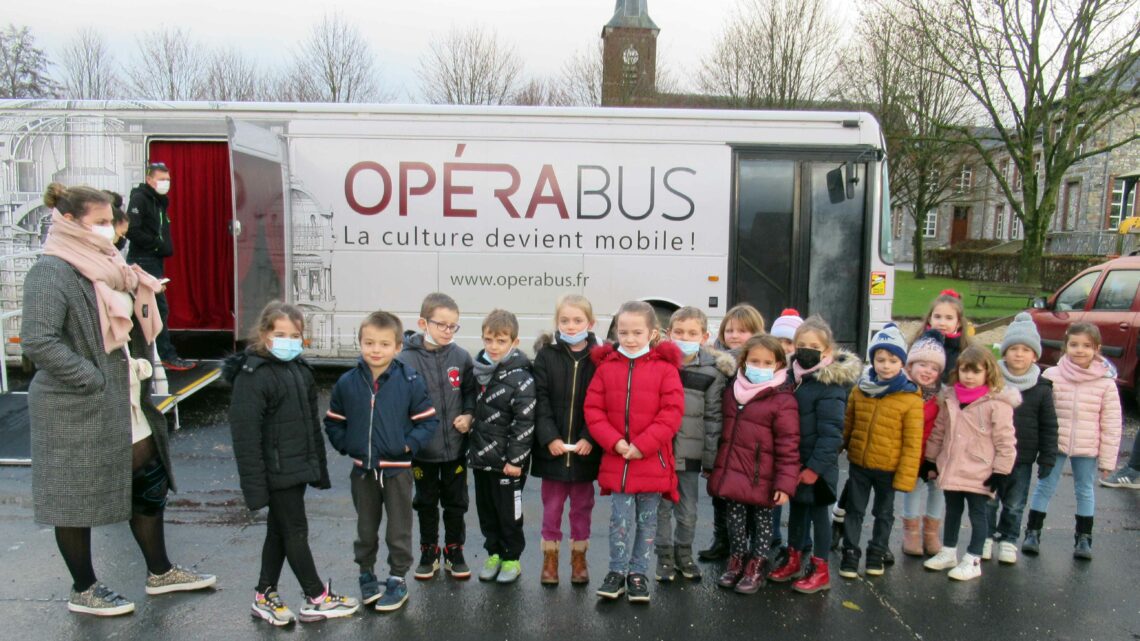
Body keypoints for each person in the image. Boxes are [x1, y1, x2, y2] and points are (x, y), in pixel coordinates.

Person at [22, 183, 215, 617]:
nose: (111, 230)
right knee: (75, 496)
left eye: (112, 221)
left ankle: (160, 572)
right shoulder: (52, 271)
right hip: (77, 403)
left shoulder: (108, 264)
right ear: (70, 222)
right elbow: (39, 340)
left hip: (123, 395)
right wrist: (90, 378)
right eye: (101, 222)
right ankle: (84, 588)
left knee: (148, 477)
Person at [226, 301, 359, 625]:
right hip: (276, 472)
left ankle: (264, 593)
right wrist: (255, 487)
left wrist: (317, 468)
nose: (288, 340)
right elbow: (245, 437)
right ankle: (316, 597)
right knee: (295, 531)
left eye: (295, 335)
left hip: (295, 469)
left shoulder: (299, 370)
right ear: (264, 334)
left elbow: (311, 425)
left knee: (279, 531)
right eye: (281, 333)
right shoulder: (253, 376)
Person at [324, 311, 440, 611]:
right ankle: (366, 574)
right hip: (363, 471)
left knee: (398, 529)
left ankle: (397, 578)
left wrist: (406, 446)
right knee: (365, 529)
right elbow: (334, 421)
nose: (376, 350)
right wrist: (348, 445)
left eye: (384, 344)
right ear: (360, 343)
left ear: (398, 347)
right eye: (369, 342)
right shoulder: (348, 382)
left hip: (398, 472)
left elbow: (427, 422)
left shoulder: (410, 380)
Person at [586, 301, 684, 604]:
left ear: (652, 333)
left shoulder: (665, 370)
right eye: (623, 331)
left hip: (651, 460)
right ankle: (616, 571)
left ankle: (638, 573)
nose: (629, 338)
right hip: (618, 460)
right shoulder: (605, 369)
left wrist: (642, 446)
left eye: (636, 332)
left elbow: (672, 413)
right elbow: (593, 410)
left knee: (647, 521)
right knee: (619, 519)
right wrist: (615, 442)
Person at [768, 316, 860, 594]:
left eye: (814, 346)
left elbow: (832, 434)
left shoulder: (829, 384)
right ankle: (794, 557)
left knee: (820, 516)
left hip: (817, 467)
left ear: (827, 352)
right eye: (802, 344)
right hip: (793, 462)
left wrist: (815, 468)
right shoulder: (791, 377)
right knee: (797, 512)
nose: (806, 349)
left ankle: (820, 569)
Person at [709, 335, 800, 594]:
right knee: (734, 519)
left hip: (765, 476)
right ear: (744, 361)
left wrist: (785, 482)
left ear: (779, 365)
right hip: (735, 472)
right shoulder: (732, 391)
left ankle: (757, 564)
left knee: (762, 522)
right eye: (754, 361)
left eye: (767, 362)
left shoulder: (783, 399)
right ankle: (737, 559)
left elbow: (789, 445)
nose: (760, 366)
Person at [1024, 322, 1122, 560]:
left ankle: (1084, 538)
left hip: (1087, 447)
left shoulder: (1105, 383)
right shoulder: (1051, 376)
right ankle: (1033, 532)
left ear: (1097, 348)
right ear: (1065, 346)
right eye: (1074, 344)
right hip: (1055, 443)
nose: (1080, 350)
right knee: (1045, 485)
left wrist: (1108, 460)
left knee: (1085, 490)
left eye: (1087, 346)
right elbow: (1040, 413)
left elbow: (1111, 424)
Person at [397, 293, 477, 580]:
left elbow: (470, 392)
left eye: (453, 325)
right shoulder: (405, 360)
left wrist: (469, 415)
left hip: (455, 448)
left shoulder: (461, 357)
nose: (447, 331)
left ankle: (454, 549)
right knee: (426, 502)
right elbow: (398, 404)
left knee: (456, 502)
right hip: (423, 452)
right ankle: (428, 550)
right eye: (441, 324)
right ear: (423, 323)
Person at [922, 345, 1018, 581]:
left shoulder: (997, 403)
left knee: (978, 515)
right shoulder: (951, 399)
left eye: (975, 371)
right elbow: (939, 430)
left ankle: (973, 558)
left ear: (987, 372)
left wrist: (1001, 472)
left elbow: (1006, 441)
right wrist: (930, 460)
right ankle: (949, 551)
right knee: (953, 511)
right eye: (965, 370)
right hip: (953, 467)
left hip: (980, 471)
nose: (969, 376)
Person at [838, 323, 924, 579]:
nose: (886, 365)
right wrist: (835, 450)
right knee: (854, 510)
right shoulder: (860, 390)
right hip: (860, 465)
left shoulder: (910, 399)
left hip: (889, 468)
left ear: (903, 363)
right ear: (872, 359)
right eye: (880, 359)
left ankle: (877, 553)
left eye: (893, 360)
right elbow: (848, 425)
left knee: (884, 514)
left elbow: (912, 442)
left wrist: (906, 477)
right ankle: (850, 554)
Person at [655, 307, 733, 583]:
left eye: (692, 333)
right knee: (660, 509)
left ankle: (683, 554)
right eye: (678, 332)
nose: (684, 337)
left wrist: (710, 460)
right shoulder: (658, 364)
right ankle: (663, 556)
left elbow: (714, 418)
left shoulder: (712, 371)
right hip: (659, 454)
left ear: (704, 336)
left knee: (687, 511)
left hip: (691, 455)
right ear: (668, 334)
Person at [532, 295, 602, 586]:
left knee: (582, 507)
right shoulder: (546, 355)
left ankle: (578, 558)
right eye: (564, 320)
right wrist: (549, 437)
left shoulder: (600, 358)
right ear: (556, 322)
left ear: (590, 323)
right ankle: (549, 560)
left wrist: (589, 437)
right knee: (551, 507)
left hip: (585, 452)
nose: (571, 326)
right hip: (554, 451)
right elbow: (540, 399)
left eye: (577, 320)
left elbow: (602, 401)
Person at [469, 309, 536, 584]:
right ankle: (493, 552)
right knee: (486, 511)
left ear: (514, 343)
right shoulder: (478, 372)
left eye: (501, 341)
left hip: (508, 464)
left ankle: (511, 558)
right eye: (488, 340)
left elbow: (524, 423)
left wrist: (515, 462)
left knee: (509, 513)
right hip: (481, 459)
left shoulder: (522, 378)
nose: (493, 347)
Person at [988, 313, 1058, 564]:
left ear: (1035, 355)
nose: (1019, 354)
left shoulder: (1042, 388)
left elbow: (1049, 426)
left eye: (1025, 350)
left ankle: (1008, 540)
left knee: (1015, 503)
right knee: (988, 500)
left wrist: (1048, 457)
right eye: (1013, 349)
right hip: (991, 454)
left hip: (1023, 457)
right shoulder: (992, 382)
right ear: (1004, 352)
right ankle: (985, 537)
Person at [701, 302, 765, 562]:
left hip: (750, 442)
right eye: (730, 330)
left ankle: (752, 547)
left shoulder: (760, 364)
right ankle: (722, 540)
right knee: (720, 491)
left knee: (748, 497)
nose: (734, 336)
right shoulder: (715, 361)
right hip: (722, 438)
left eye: (743, 331)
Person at [126, 161, 194, 371]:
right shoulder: (140, 199)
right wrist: (156, 245)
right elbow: (132, 230)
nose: (166, 183)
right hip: (144, 261)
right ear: (149, 180)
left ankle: (151, 353)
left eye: (168, 180)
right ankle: (165, 354)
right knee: (157, 308)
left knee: (154, 309)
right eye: (161, 179)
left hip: (154, 260)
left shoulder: (159, 201)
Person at [898, 330, 947, 557]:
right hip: (911, 453)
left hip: (934, 454)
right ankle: (911, 532)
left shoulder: (942, 396)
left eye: (934, 368)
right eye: (922, 365)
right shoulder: (902, 390)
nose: (928, 371)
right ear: (910, 366)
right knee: (913, 489)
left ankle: (931, 533)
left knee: (937, 489)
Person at [912, 289, 971, 383]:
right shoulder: (917, 344)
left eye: (949, 318)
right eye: (937, 317)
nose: (942, 323)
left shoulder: (966, 350)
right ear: (930, 319)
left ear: (958, 323)